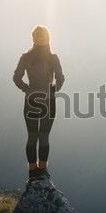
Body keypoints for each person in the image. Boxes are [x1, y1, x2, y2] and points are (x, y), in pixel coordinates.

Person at [13, 25, 65, 180]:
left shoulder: (25, 57)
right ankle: (42, 171)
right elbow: (60, 78)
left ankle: (32, 170)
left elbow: (16, 78)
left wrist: (26, 88)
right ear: (48, 39)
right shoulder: (53, 57)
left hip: (31, 99)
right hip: (48, 100)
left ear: (33, 39)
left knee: (31, 137)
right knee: (44, 137)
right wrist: (53, 90)